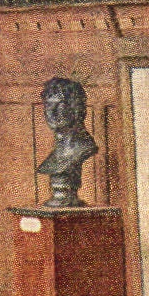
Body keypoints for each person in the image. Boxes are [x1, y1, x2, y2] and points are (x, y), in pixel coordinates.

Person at [37, 77, 97, 208]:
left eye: (60, 105)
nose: (50, 113)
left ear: (75, 108)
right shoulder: (56, 153)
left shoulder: (83, 147)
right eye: (48, 105)